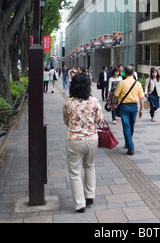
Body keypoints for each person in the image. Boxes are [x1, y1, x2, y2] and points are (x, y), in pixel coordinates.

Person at [63, 72, 104, 213]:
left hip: (74, 140)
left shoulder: (69, 102)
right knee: (89, 166)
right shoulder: (94, 101)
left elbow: (66, 120)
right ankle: (90, 195)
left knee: (75, 172)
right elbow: (100, 121)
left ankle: (80, 203)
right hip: (92, 139)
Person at [111, 65, 144, 155]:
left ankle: (130, 147)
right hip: (134, 107)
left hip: (124, 107)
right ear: (133, 73)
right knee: (131, 126)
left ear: (124, 73)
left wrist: (113, 104)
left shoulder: (122, 83)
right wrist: (141, 109)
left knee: (126, 127)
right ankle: (129, 144)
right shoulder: (138, 84)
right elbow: (141, 98)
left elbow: (115, 96)